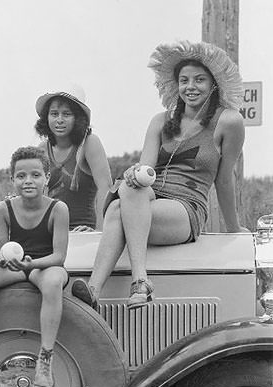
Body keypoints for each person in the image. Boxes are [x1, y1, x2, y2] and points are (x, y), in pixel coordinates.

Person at [72, 41, 246, 309]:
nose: (191, 87)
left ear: (213, 84)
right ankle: (108, 287)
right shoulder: (159, 121)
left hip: (186, 206)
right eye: (184, 80)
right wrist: (133, 174)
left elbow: (224, 180)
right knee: (126, 195)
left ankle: (125, 283)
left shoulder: (229, 121)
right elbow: (146, 172)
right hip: (149, 198)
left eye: (199, 80)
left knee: (120, 208)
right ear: (176, 85)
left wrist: (234, 228)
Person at [0, 146, 69, 387]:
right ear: (12, 180)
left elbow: (59, 256)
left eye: (35, 175)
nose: (28, 181)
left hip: (45, 265)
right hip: (17, 266)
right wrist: (1, 260)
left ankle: (45, 359)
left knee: (52, 283)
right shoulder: (4, 209)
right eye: (21, 176)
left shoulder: (58, 209)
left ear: (46, 178)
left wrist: (32, 263)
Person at [34, 86, 111, 230]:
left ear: (77, 118)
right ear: (47, 117)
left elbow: (105, 188)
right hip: (52, 232)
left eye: (67, 114)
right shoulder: (42, 149)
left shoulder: (89, 143)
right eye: (54, 114)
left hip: (83, 231)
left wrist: (99, 232)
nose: (60, 120)